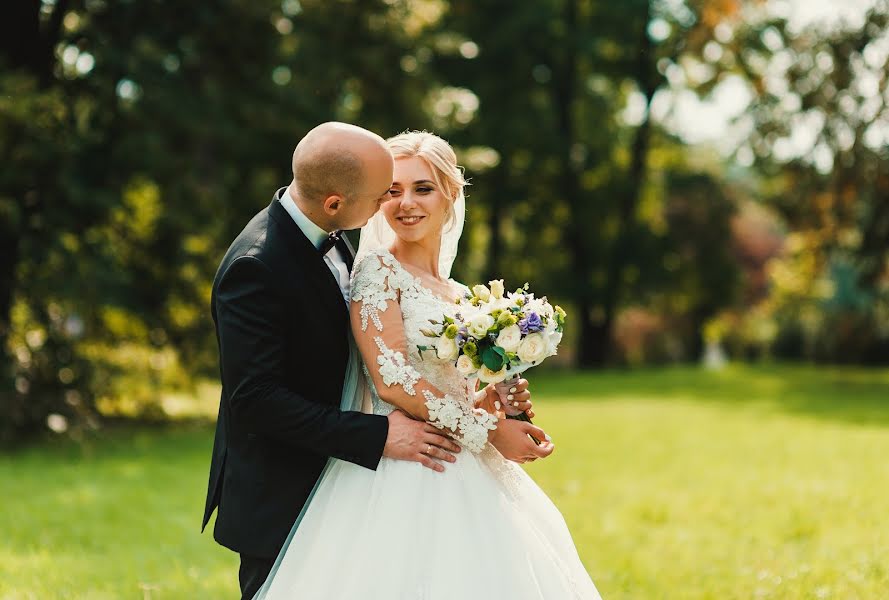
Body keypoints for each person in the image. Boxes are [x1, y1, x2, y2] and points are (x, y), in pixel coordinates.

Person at [252, 131, 602, 599]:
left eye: (422, 188)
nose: (406, 203)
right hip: (402, 468)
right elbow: (393, 381)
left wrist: (493, 401)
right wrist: (488, 431)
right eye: (392, 191)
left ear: (450, 193)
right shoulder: (377, 273)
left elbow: (451, 389)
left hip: (464, 461)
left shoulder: (459, 294)